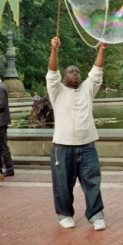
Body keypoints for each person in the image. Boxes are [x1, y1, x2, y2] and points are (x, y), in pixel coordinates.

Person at [47, 36, 107, 230]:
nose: (75, 74)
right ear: (65, 77)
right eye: (71, 72)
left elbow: (96, 72)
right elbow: (52, 72)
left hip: (87, 144)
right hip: (62, 146)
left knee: (92, 181)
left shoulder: (87, 90)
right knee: (63, 184)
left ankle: (96, 214)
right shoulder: (57, 91)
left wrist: (102, 49)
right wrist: (54, 50)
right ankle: (65, 214)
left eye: (78, 72)